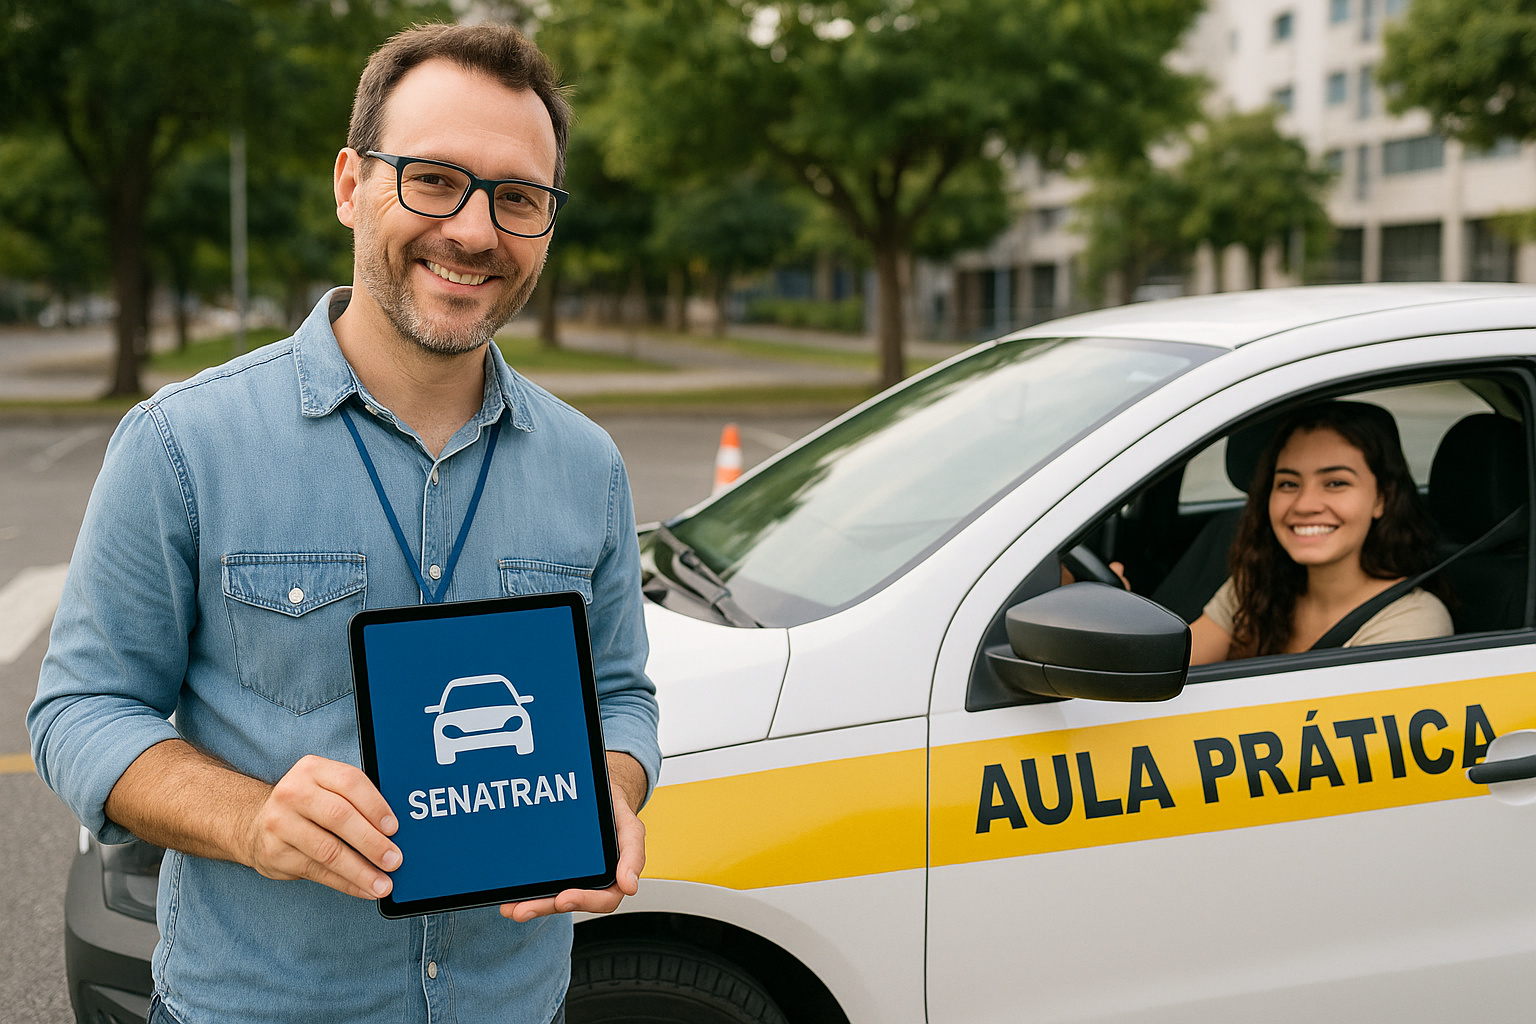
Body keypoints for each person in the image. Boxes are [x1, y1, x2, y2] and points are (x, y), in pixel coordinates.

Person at [27, 23, 659, 1024]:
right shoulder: (182, 443)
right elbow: (81, 710)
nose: (476, 232)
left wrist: (611, 789)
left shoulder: (590, 466)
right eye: (435, 180)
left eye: (518, 197)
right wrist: (251, 818)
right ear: (350, 184)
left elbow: (618, 696)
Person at [1189, 400, 1453, 664]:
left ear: (1381, 498)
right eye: (1288, 483)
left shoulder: (1412, 621)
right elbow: (1175, 665)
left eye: (1335, 483)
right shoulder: (1258, 586)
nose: (1305, 505)